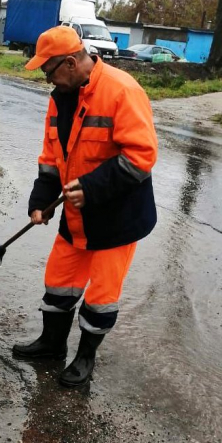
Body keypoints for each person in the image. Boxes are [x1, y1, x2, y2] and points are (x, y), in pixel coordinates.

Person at [12, 26, 158, 387]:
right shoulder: (60, 96)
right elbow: (51, 158)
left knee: (100, 297)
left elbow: (141, 156)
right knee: (59, 281)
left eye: (50, 71)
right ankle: (51, 343)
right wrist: (40, 201)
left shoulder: (122, 90)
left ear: (72, 62)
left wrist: (92, 188)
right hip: (76, 215)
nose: (48, 80)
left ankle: (85, 357)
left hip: (118, 218)